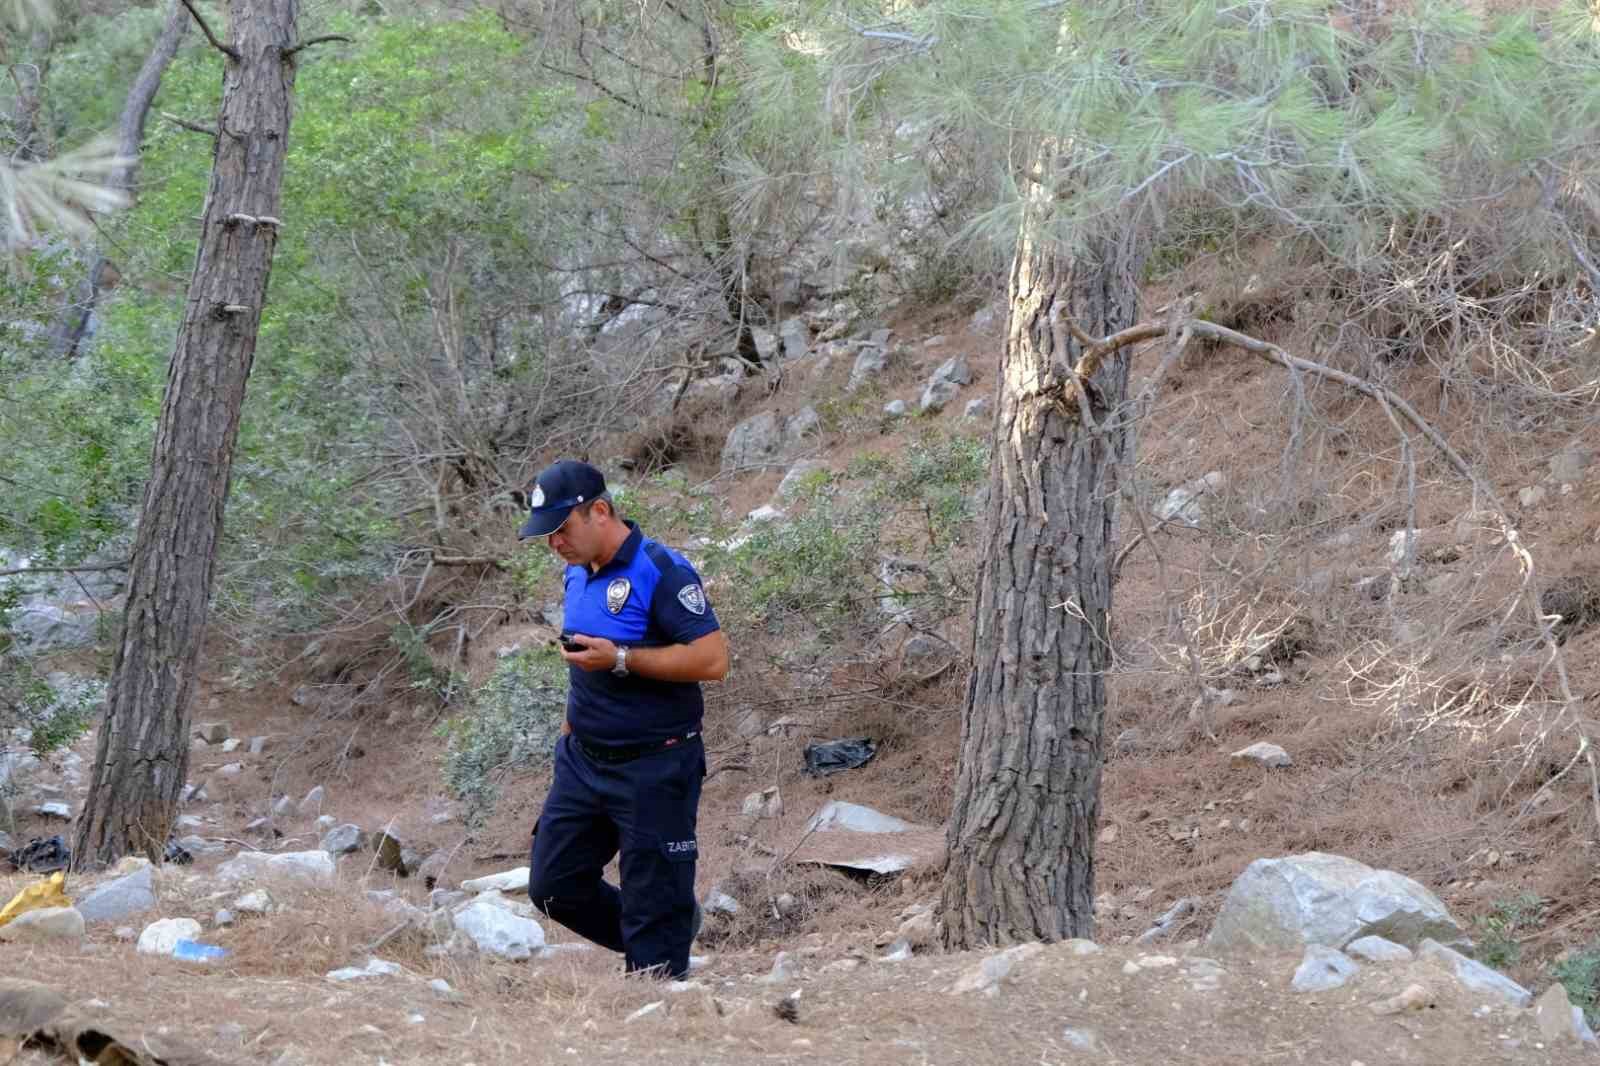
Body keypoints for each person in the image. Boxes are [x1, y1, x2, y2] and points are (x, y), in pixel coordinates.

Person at [518, 459, 729, 979]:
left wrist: (622, 658)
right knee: (553, 887)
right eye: (546, 535)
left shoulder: (662, 570)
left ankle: (659, 953)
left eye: (561, 530)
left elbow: (713, 660)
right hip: (583, 761)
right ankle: (667, 928)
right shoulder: (575, 573)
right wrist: (567, 735)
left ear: (601, 511)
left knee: (652, 940)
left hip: (656, 767)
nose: (554, 545)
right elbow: (583, 668)